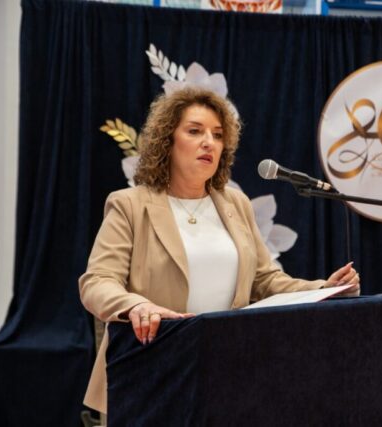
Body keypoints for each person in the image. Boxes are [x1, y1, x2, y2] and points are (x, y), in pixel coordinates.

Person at [79, 87, 360, 415]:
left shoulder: (235, 204)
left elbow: (265, 280)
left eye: (217, 135)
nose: (208, 142)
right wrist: (136, 305)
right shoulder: (130, 205)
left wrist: (325, 288)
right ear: (167, 141)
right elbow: (97, 282)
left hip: (226, 371)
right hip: (153, 369)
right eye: (195, 131)